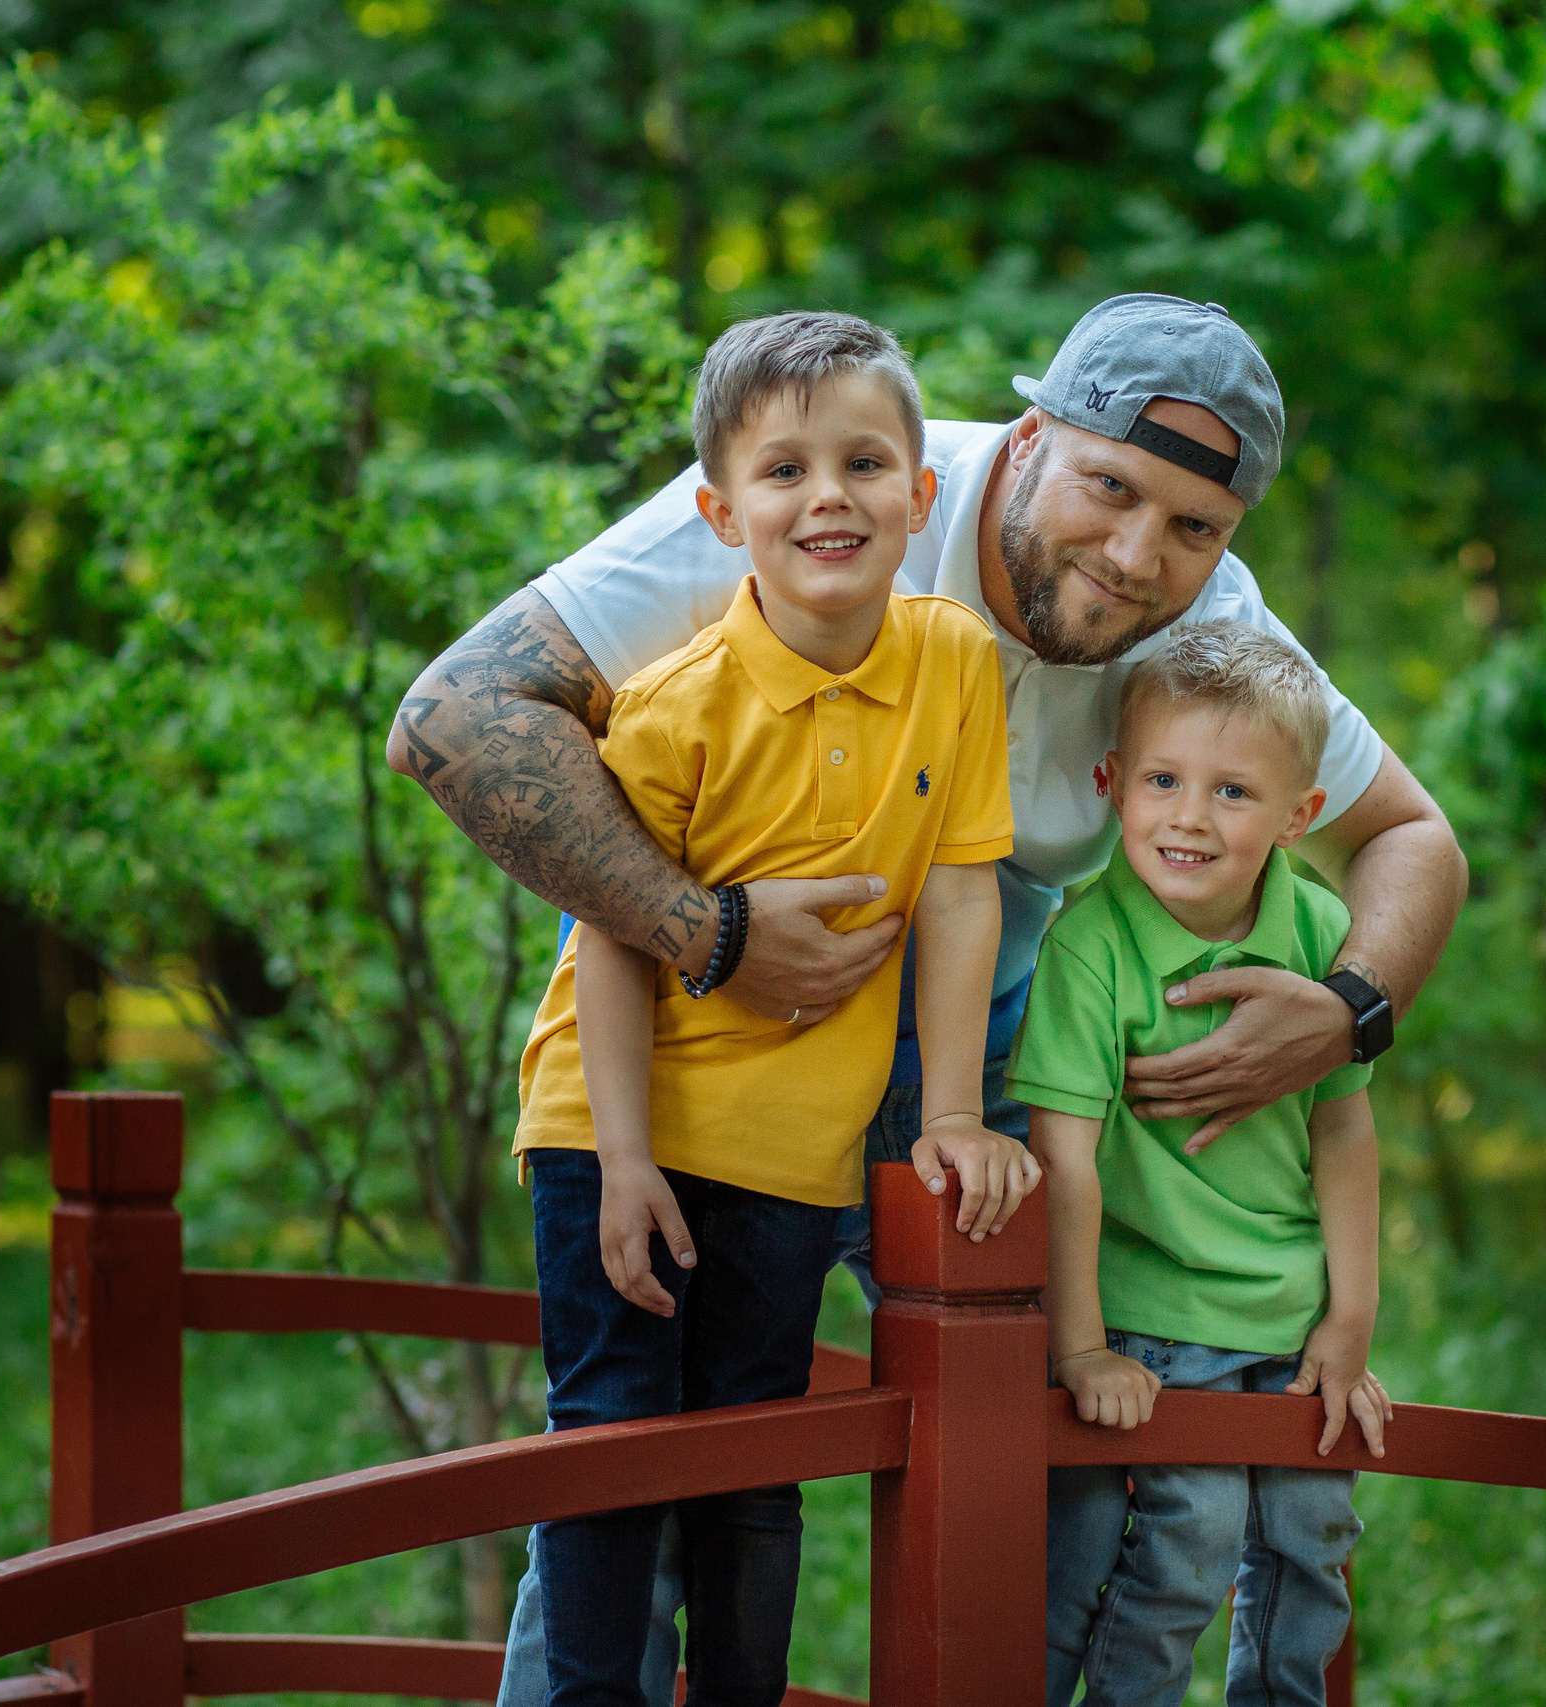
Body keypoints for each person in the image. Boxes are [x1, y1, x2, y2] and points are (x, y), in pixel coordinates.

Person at [386, 293, 1468, 1703]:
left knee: (1040, 1451)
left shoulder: (1212, 617)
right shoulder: (848, 484)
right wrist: (701, 926)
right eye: (1111, 488)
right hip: (715, 1050)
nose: (1142, 554)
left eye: (1196, 525)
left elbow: (1413, 836)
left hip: (981, 1070)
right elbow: (454, 714)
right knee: (648, 1457)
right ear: (1022, 444)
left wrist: (1350, 1008)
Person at [510, 309, 1039, 1707]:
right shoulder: (671, 706)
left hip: (796, 1147)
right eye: (785, 469)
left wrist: (954, 1115)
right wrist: (622, 1164)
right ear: (720, 511)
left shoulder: (957, 666)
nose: (829, 497)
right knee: (615, 1441)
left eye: (866, 463)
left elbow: (964, 895)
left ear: (921, 497)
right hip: (616, 1121)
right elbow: (619, 942)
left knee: (755, 1462)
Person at [1014, 622, 1390, 1707]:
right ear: (1109, 785)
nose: (1188, 816)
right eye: (1164, 781)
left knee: (1312, 1546)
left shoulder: (1324, 935)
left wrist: (1350, 1316)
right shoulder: (1090, 949)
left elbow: (1344, 1129)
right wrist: (1081, 1350)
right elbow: (1066, 1162)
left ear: (1297, 815)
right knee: (1186, 1545)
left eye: (1232, 792)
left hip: (1293, 1315)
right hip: (1153, 1310)